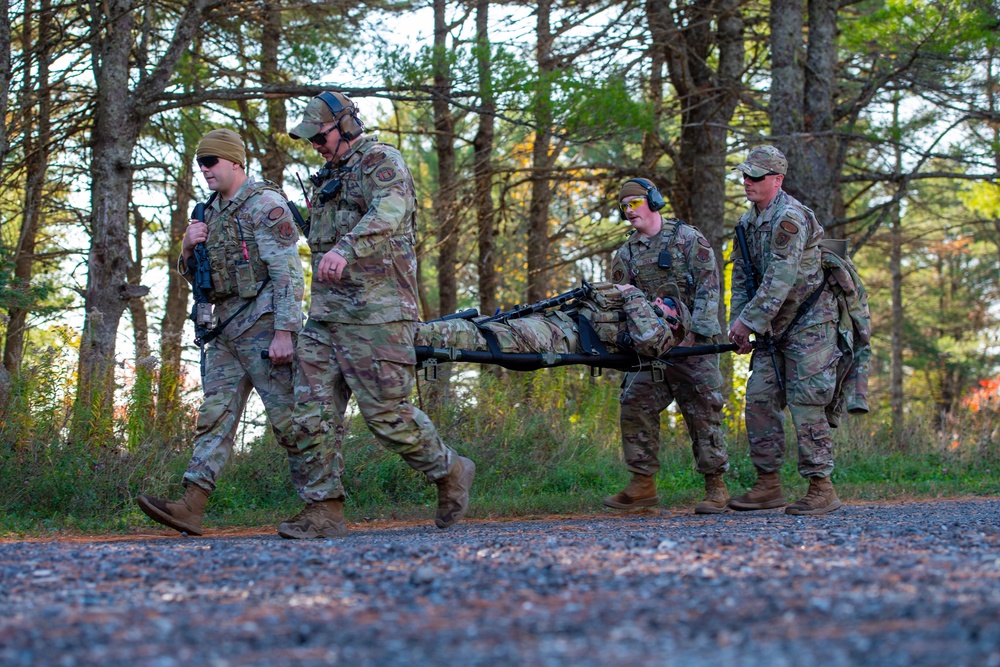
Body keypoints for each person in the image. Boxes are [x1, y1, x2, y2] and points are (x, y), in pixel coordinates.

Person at [279, 92, 475, 539]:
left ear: (346, 125)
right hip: (327, 315)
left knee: (386, 414)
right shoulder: (329, 174)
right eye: (311, 140)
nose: (317, 146)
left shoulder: (380, 160)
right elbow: (324, 236)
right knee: (309, 411)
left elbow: (390, 210)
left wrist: (346, 249)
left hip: (378, 312)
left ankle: (450, 471)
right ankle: (323, 509)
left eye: (321, 136)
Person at [137, 128, 328, 535]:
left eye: (211, 162)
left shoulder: (266, 205)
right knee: (214, 417)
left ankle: (324, 506)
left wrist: (284, 333)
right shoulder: (206, 212)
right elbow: (199, 278)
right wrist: (186, 249)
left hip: (263, 329)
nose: (204, 170)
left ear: (235, 162)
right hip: (223, 332)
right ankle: (191, 504)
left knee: (290, 422)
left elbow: (288, 275)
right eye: (199, 164)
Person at [602, 178, 729, 514]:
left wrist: (697, 334)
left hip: (692, 347)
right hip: (652, 350)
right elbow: (622, 302)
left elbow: (708, 287)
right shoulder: (625, 253)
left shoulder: (688, 238)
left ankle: (716, 487)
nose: (629, 211)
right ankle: (642, 485)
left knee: (703, 411)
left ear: (654, 201)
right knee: (634, 403)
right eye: (624, 206)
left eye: (635, 203)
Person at [727, 145, 842, 515]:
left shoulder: (789, 217)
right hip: (772, 328)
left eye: (756, 177)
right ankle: (768, 484)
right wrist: (739, 324)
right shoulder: (746, 223)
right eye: (745, 175)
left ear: (777, 180)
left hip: (809, 324)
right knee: (759, 400)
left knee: (807, 404)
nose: (748, 182)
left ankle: (821, 486)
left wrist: (750, 321)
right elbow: (743, 276)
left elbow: (781, 277)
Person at [415, 281, 688, 359]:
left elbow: (649, 341)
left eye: (670, 304)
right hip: (552, 323)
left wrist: (634, 296)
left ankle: (412, 335)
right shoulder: (638, 310)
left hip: (558, 337)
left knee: (481, 335)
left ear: (676, 324)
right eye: (662, 298)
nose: (660, 301)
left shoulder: (661, 336)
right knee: (482, 324)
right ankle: (415, 332)